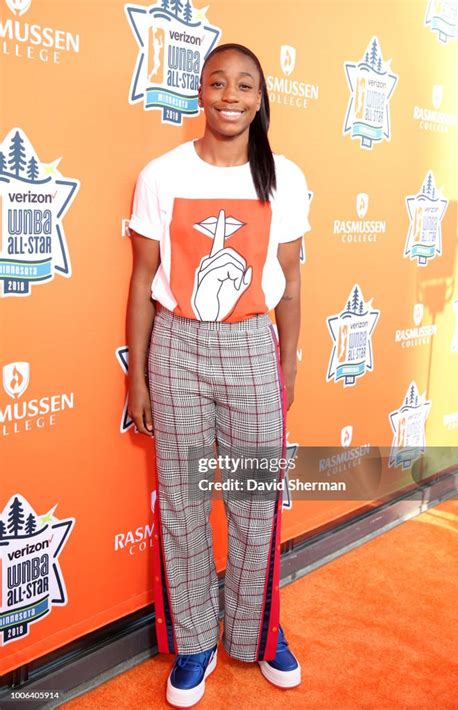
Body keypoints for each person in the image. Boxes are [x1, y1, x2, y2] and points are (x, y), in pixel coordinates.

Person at [126, 43, 311, 708]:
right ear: (199, 92)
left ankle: (256, 634)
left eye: (245, 86)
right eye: (217, 83)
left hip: (250, 345)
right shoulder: (161, 174)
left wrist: (286, 361)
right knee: (181, 499)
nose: (230, 96)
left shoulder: (283, 177)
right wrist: (140, 377)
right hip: (176, 347)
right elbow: (145, 278)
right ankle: (197, 641)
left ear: (261, 99)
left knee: (255, 499)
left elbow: (290, 284)